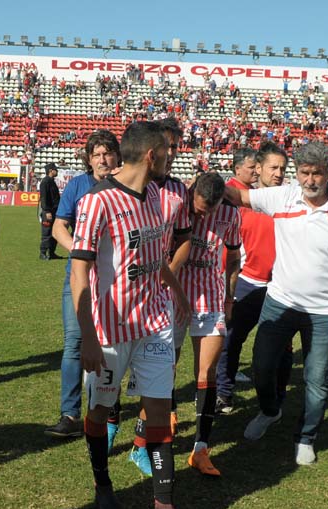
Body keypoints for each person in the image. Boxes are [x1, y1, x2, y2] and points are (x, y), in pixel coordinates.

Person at [70, 121, 202, 509]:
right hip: (111, 331)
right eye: (167, 150)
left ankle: (164, 507)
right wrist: (88, 336)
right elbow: (79, 271)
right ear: (152, 155)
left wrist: (177, 290)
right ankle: (102, 482)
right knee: (100, 409)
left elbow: (155, 253)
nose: (171, 155)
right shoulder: (98, 202)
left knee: (159, 412)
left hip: (154, 323)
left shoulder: (151, 198)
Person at [226, 142, 328, 465]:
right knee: (262, 367)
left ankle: (306, 437)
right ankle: (270, 411)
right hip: (280, 303)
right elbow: (239, 196)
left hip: (325, 310)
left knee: (317, 380)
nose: (310, 180)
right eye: (304, 172)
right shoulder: (283, 195)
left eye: (316, 173)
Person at [123, 117, 192, 475]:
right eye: (168, 146)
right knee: (111, 376)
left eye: (177, 147)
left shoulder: (180, 191)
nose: (173, 153)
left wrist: (171, 274)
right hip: (123, 295)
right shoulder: (128, 186)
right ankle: (103, 432)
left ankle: (141, 445)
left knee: (158, 372)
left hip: (160, 295)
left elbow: (183, 238)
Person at [44, 130, 120, 438]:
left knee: (115, 342)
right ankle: (70, 414)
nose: (102, 159)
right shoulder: (77, 185)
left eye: (107, 153)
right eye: (96, 155)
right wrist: (79, 250)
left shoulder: (126, 184)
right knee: (75, 342)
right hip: (79, 277)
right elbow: (58, 227)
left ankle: (107, 406)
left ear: (117, 155)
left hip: (117, 278)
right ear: (88, 160)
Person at [172, 173, 241, 476]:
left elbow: (235, 256)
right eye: (200, 209)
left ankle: (201, 448)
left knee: (207, 371)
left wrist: (229, 296)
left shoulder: (231, 214)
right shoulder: (178, 206)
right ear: (193, 195)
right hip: (174, 295)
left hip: (210, 298)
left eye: (209, 211)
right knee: (165, 365)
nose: (204, 215)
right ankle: (168, 415)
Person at [216, 143, 293, 414]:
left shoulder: (290, 203)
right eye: (273, 167)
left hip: (280, 287)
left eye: (283, 169)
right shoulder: (243, 203)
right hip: (248, 283)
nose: (279, 173)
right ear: (258, 169)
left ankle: (277, 399)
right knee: (231, 339)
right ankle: (224, 393)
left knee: (283, 348)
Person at [39, 163, 61, 259]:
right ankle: (43, 253)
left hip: (55, 211)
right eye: (55, 169)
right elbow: (43, 198)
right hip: (48, 212)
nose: (57, 171)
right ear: (51, 171)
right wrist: (47, 211)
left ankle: (52, 252)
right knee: (47, 233)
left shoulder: (51, 181)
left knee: (55, 233)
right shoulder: (45, 182)